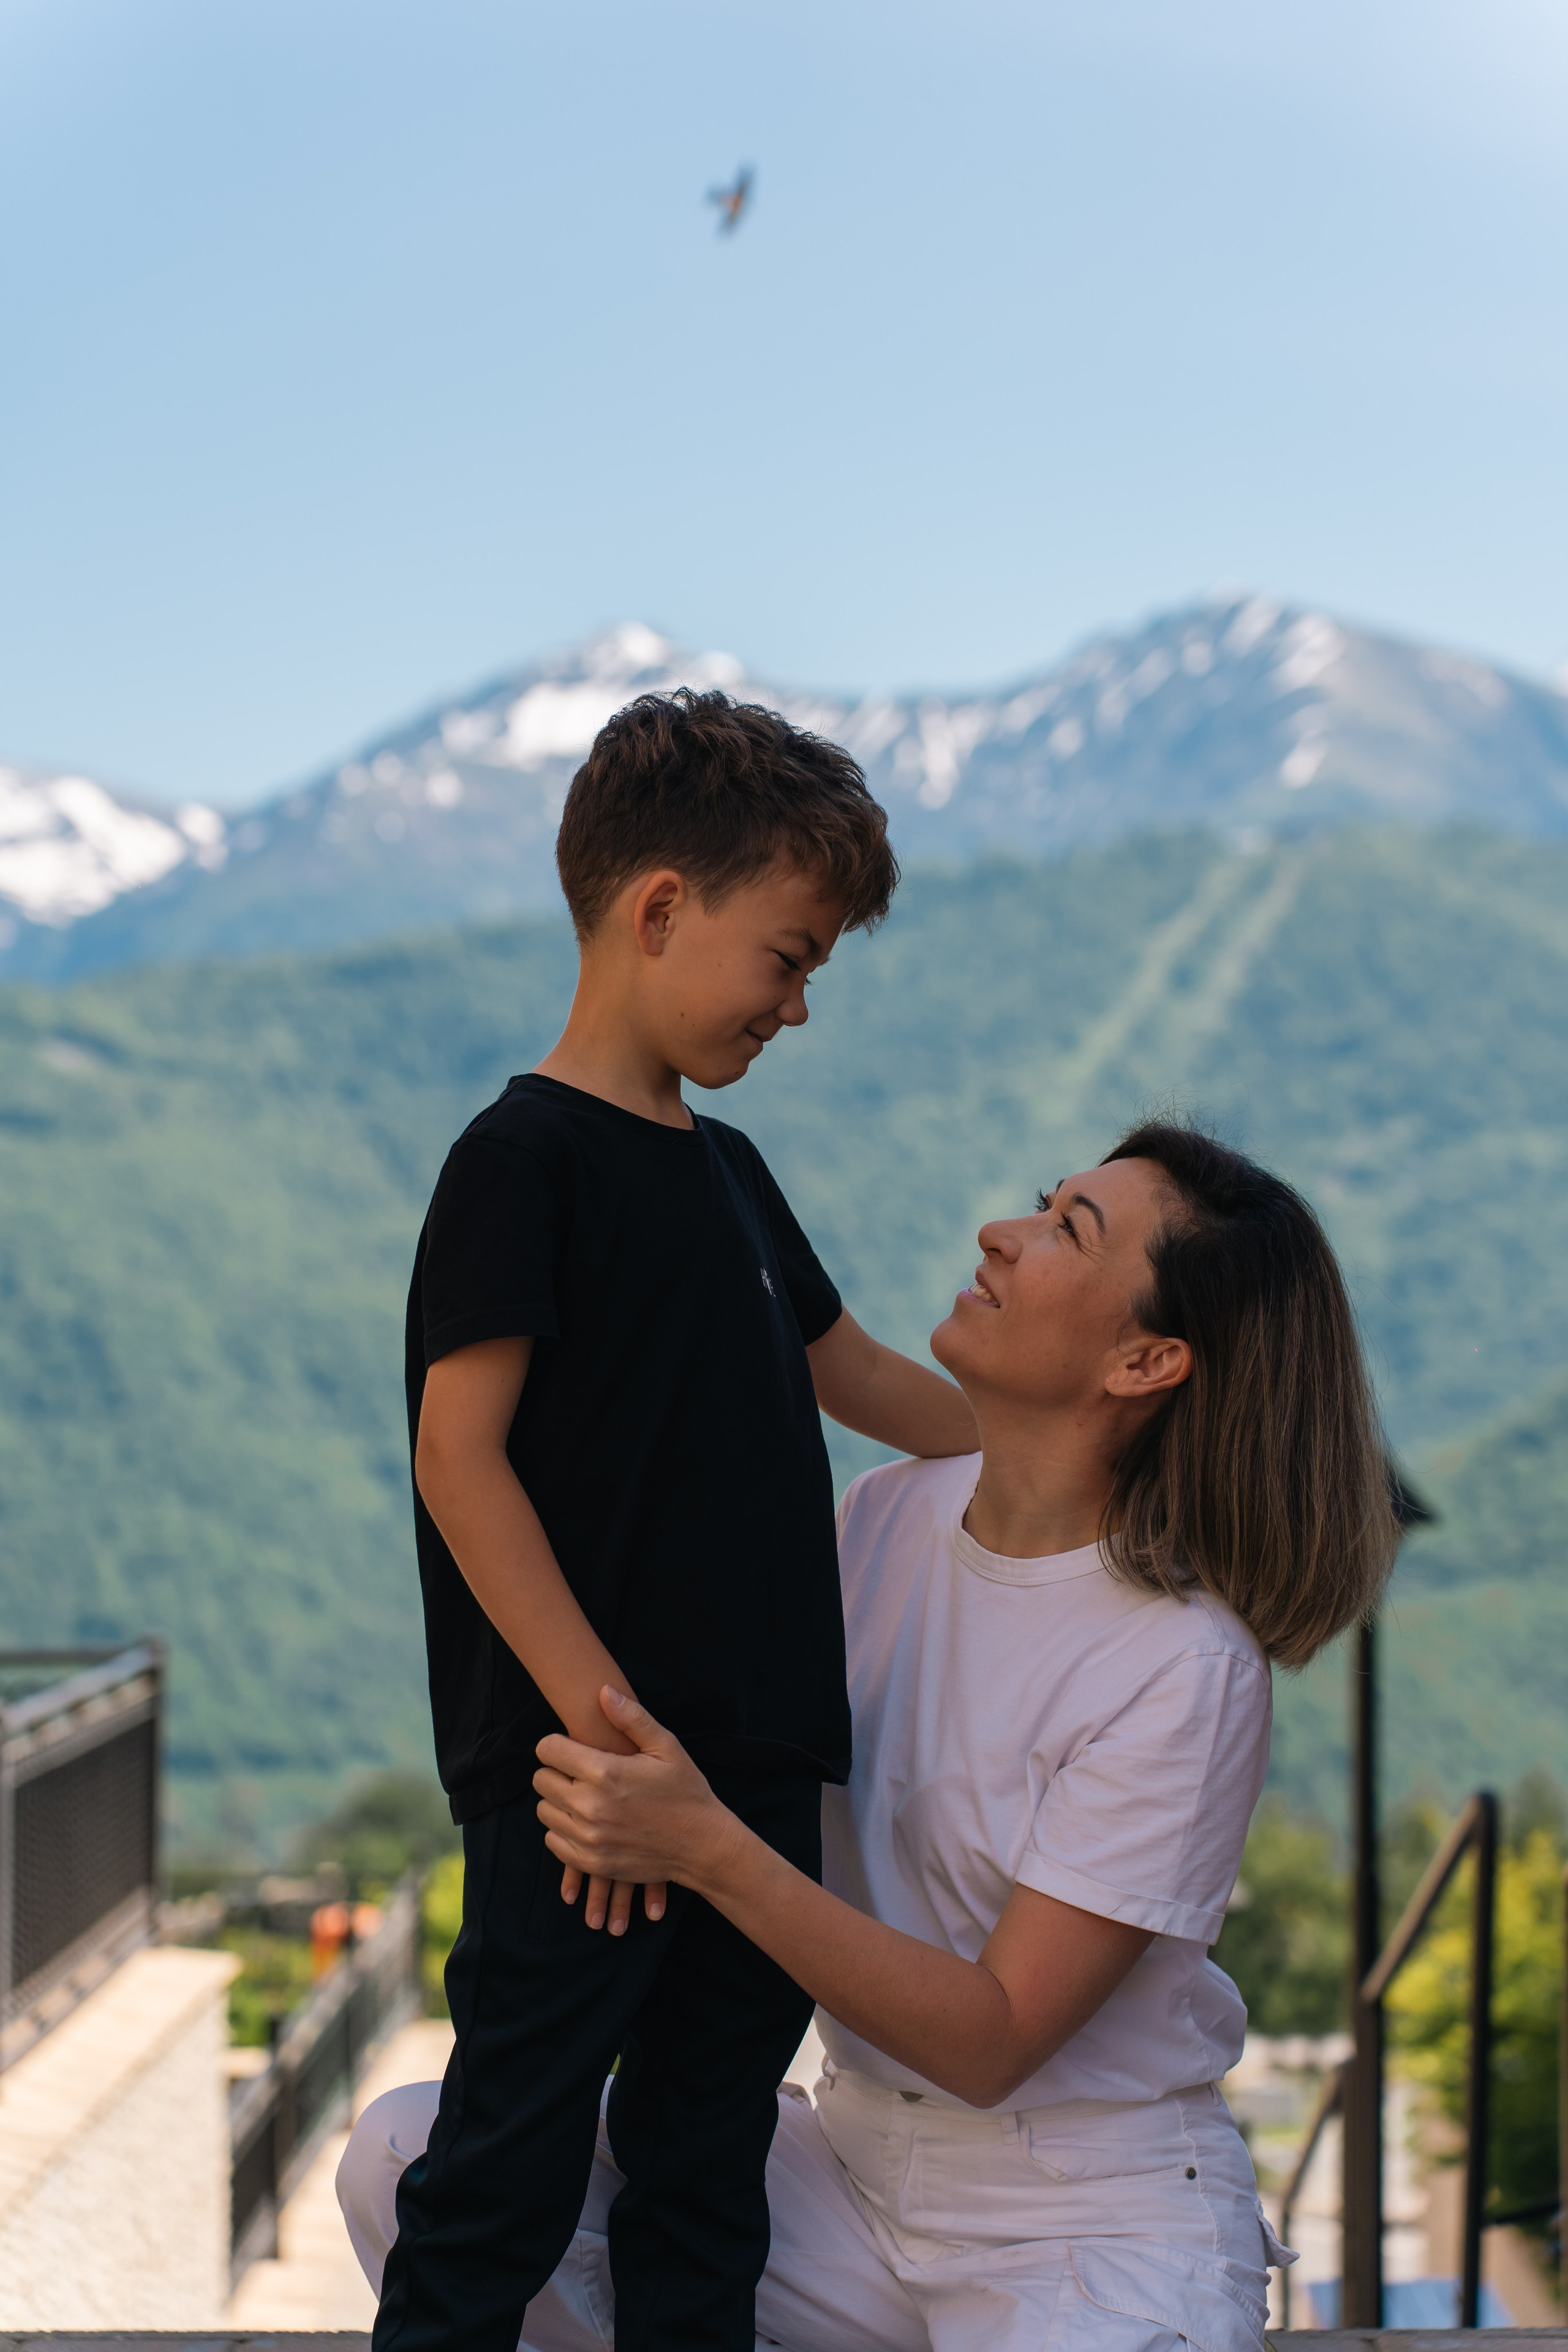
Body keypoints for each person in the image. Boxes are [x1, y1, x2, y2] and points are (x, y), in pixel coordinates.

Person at [342, 1121, 1397, 2352]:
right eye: (1040, 1200)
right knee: (407, 2160)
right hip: (840, 2171)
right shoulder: (881, 1518)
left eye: (1069, 1231)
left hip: (1081, 2224)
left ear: (1144, 1359)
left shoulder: (1179, 1662)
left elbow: (993, 2038)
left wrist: (703, 1845)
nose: (1000, 1234)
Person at [372, 687, 980, 2352]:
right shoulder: (519, 1164)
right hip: (593, 1789)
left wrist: (1087, 1439)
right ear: (659, 912)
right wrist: (605, 1727)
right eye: (788, 957)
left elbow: (856, 1374)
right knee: (501, 2170)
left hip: (759, 1779)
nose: (798, 1005)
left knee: (706, 2175)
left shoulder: (733, 1176)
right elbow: (459, 1458)